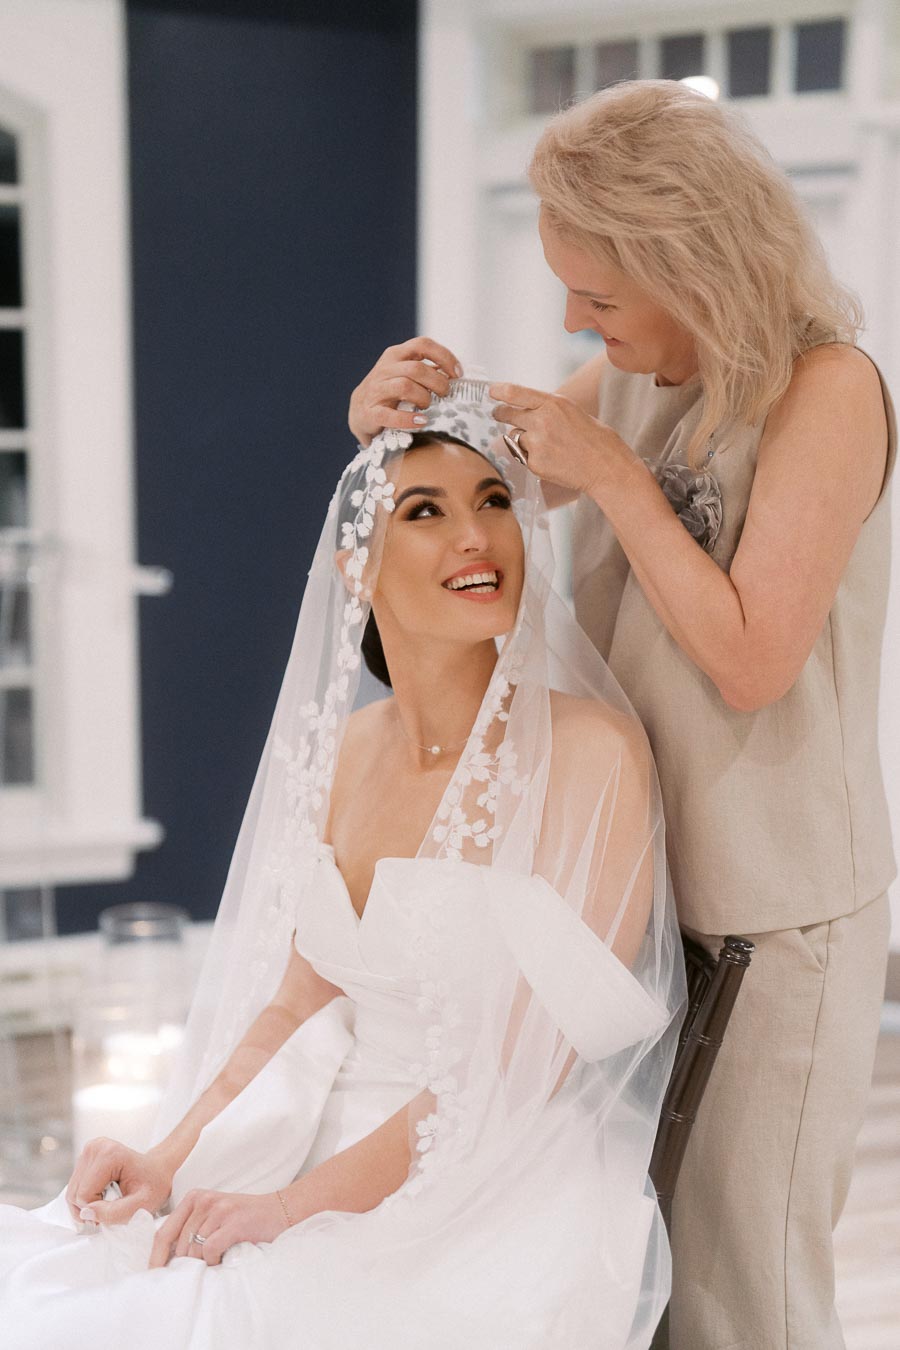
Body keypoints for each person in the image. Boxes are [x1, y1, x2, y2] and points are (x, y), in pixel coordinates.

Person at [348, 81, 896, 1350]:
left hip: (771, 912)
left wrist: (615, 481)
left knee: (741, 1289)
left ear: (694, 266)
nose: (572, 324)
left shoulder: (829, 392)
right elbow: (485, 485)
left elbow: (754, 660)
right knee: (637, 1271)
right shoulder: (648, 368)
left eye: (596, 299)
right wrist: (392, 416)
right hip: (632, 902)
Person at [0, 381, 685, 1349]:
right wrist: (169, 1156)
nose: (476, 536)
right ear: (354, 562)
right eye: (426, 511)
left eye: (496, 502)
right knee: (72, 1282)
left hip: (497, 1188)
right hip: (321, 1136)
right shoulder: (346, 751)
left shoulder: (592, 758)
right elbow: (292, 1002)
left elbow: (512, 1079)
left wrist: (286, 1214)